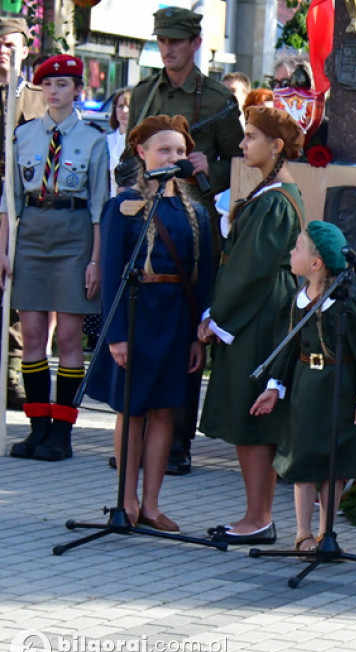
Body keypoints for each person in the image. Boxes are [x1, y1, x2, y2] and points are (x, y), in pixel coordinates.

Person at [128, 6, 244, 475]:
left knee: (186, 334)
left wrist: (207, 169)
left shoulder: (216, 99)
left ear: (195, 44)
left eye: (176, 41)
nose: (168, 49)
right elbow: (128, 155)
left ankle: (177, 442)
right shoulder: (145, 92)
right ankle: (137, 439)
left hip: (194, 227)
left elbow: (241, 165)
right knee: (145, 325)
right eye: (162, 41)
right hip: (148, 221)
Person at [86, 115, 212, 530]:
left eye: (179, 151)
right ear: (141, 153)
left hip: (175, 320)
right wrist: (116, 334)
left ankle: (153, 505)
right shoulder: (122, 208)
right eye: (164, 150)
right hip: (137, 317)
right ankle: (127, 501)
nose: (173, 157)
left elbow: (202, 279)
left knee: (163, 414)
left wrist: (198, 335)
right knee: (132, 411)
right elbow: (111, 275)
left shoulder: (196, 213)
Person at [199, 106, 306, 545]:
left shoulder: (277, 201)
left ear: (275, 145)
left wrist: (217, 318)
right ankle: (255, 515)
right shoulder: (272, 194)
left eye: (250, 137)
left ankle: (258, 517)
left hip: (258, 316)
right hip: (259, 312)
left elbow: (249, 269)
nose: (242, 145)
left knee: (253, 416)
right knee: (251, 417)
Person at [250, 221, 356, 556]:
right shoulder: (297, 299)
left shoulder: (345, 308)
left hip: (338, 388)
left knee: (333, 465)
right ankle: (302, 533)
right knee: (303, 459)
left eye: (297, 249)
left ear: (316, 263)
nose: (291, 253)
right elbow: (285, 345)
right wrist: (274, 387)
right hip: (305, 389)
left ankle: (327, 532)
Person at [0, 54, 108, 461]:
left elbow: (100, 206)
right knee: (30, 335)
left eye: (63, 85)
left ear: (78, 89)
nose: (54, 91)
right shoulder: (22, 136)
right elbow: (10, 198)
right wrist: (3, 248)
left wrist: (96, 260)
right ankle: (37, 428)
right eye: (47, 85)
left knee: (67, 338)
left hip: (74, 233)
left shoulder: (93, 140)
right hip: (32, 235)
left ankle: (62, 432)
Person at [0, 17, 45, 410]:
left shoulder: (37, 99)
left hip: (22, 207)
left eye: (12, 44)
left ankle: (11, 376)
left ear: (26, 50)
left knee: (17, 291)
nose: (4, 50)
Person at [106, 88, 131, 195]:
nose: (124, 111)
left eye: (129, 107)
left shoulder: (143, 143)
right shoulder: (106, 141)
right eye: (120, 106)